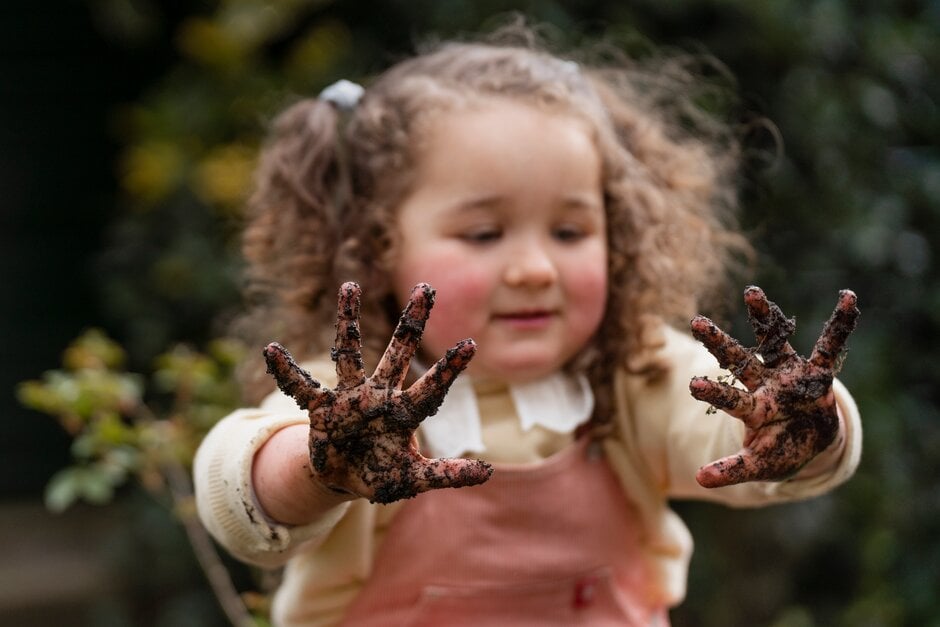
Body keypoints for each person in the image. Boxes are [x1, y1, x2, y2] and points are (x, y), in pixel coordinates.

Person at [194, 23, 861, 626]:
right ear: (376, 248)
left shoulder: (635, 373)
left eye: (571, 230)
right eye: (484, 233)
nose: (537, 267)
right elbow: (237, 498)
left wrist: (803, 424)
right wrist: (320, 464)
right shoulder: (353, 402)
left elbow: (732, 432)